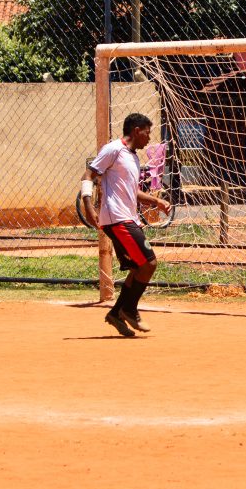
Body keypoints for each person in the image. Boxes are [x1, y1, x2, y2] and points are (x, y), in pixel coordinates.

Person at [80, 113, 171, 337]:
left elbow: (131, 191)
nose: (149, 138)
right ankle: (129, 310)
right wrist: (88, 206)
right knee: (149, 264)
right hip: (116, 219)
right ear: (136, 130)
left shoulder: (133, 157)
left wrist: (156, 201)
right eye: (147, 133)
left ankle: (115, 313)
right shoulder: (113, 149)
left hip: (127, 218)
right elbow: (88, 174)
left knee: (138, 268)